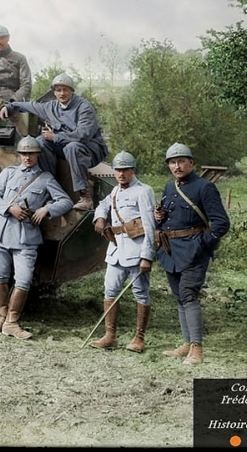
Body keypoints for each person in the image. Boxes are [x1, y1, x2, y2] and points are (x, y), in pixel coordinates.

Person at [0, 136, 73, 339]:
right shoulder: (8, 173)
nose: (27, 157)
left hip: (26, 238)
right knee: (0, 276)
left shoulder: (45, 178)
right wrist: (9, 208)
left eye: (31, 153)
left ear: (37, 155)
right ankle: (2, 318)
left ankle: (12, 323)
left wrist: (47, 209)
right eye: (24, 153)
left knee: (23, 280)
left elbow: (65, 201)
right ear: (19, 154)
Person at [155, 143, 230, 365]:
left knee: (188, 294)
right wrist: (159, 218)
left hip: (193, 252)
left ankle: (197, 349)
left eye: (181, 161)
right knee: (179, 296)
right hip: (170, 251)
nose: (176, 166)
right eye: (172, 162)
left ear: (191, 163)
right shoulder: (170, 188)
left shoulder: (204, 187)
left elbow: (221, 224)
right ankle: (187, 343)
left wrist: (202, 244)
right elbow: (169, 218)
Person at [0, 72, 109, 211]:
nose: (62, 93)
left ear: (71, 91)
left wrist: (56, 137)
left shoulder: (83, 107)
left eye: (65, 90)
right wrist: (9, 107)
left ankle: (85, 197)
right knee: (40, 142)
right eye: (58, 90)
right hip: (66, 147)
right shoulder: (50, 107)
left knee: (72, 147)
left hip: (91, 150)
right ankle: (52, 189)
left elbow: (83, 135)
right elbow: (30, 106)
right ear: (54, 92)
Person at [90, 151, 157, 352]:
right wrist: (100, 217)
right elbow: (104, 204)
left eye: (124, 170)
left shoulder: (143, 191)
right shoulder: (116, 191)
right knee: (110, 290)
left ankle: (139, 338)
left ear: (132, 170)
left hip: (137, 250)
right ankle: (110, 335)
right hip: (116, 250)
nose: (120, 174)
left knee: (140, 294)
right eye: (117, 170)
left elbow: (149, 225)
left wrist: (147, 256)